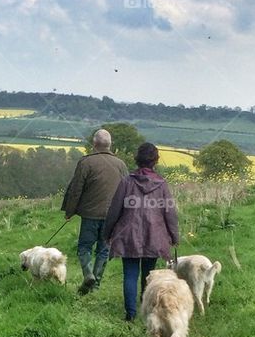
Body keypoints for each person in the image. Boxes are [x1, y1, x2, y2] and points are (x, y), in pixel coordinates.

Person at [103, 142, 179, 322]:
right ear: (155, 161)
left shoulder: (126, 182)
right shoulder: (161, 185)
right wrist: (174, 235)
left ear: (137, 159)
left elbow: (114, 210)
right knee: (148, 274)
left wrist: (107, 233)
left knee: (130, 274)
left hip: (128, 235)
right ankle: (146, 309)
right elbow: (170, 212)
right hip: (154, 236)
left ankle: (130, 315)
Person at [61, 127, 128, 294]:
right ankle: (96, 285)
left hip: (90, 215)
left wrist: (69, 212)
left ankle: (88, 274)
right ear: (110, 145)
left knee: (84, 247)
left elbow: (76, 190)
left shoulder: (86, 162)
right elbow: (127, 190)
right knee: (103, 250)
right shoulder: (121, 165)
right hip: (111, 217)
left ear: (94, 143)